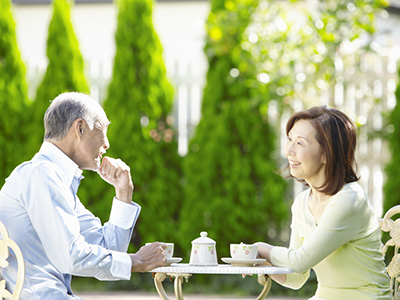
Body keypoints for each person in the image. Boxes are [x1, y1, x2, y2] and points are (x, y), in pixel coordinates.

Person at [0, 92, 166, 299]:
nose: (107, 144)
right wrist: (137, 262)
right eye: (102, 130)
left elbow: (109, 249)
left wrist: (124, 193)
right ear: (79, 128)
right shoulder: (41, 175)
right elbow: (71, 256)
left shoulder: (56, 180)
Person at [255, 106, 391, 300]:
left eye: (300, 143)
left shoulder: (350, 200)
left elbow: (300, 261)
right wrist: (259, 262)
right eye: (290, 139)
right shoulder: (302, 203)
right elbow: (297, 277)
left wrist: (261, 248)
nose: (289, 151)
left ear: (327, 153)